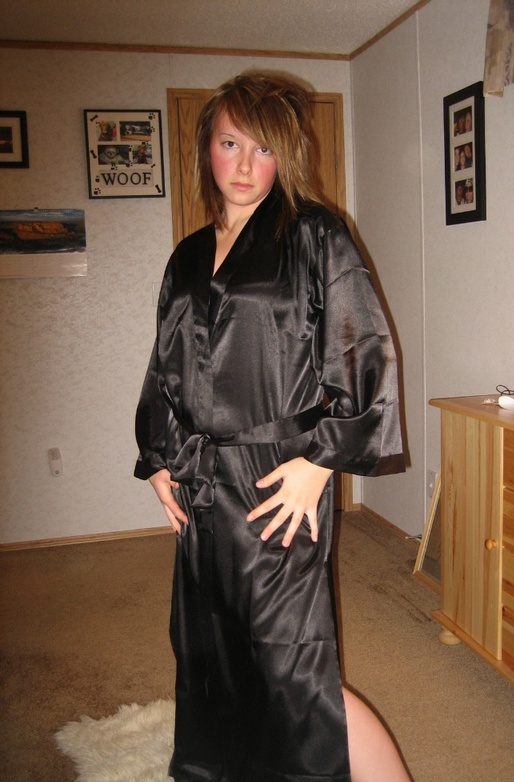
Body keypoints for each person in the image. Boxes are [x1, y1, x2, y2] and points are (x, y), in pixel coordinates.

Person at [135, 71, 412, 782]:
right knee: (214, 650)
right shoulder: (186, 256)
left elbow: (364, 348)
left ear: (285, 157)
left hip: (279, 480)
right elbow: (167, 365)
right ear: (207, 146)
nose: (246, 166)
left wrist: (321, 462)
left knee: (293, 667)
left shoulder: (314, 234)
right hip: (202, 485)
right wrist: (159, 458)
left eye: (265, 149)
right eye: (232, 143)